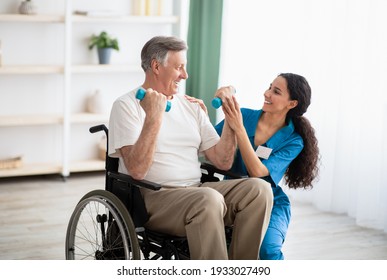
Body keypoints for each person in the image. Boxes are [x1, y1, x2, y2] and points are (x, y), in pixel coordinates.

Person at [108, 35, 273, 260]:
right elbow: (136, 170)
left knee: (259, 190)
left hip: (196, 191)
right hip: (155, 199)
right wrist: (153, 117)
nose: (185, 75)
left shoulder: (190, 106)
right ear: (156, 66)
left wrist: (230, 120)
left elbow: (222, 161)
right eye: (179, 67)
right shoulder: (126, 105)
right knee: (207, 199)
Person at [212, 73, 320, 260]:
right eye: (269, 87)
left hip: (271, 202)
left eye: (276, 91)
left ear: (292, 104)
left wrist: (239, 128)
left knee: (267, 251)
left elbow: (258, 173)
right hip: (230, 195)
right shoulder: (244, 115)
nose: (266, 93)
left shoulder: (294, 141)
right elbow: (209, 145)